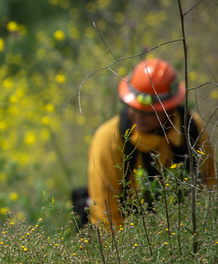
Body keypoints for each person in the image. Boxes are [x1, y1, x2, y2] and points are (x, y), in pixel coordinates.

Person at [86, 57, 216, 229]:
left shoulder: (193, 130)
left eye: (149, 113)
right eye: (133, 108)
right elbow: (105, 216)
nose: (138, 117)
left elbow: (210, 190)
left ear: (169, 108)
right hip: (131, 243)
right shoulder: (108, 138)